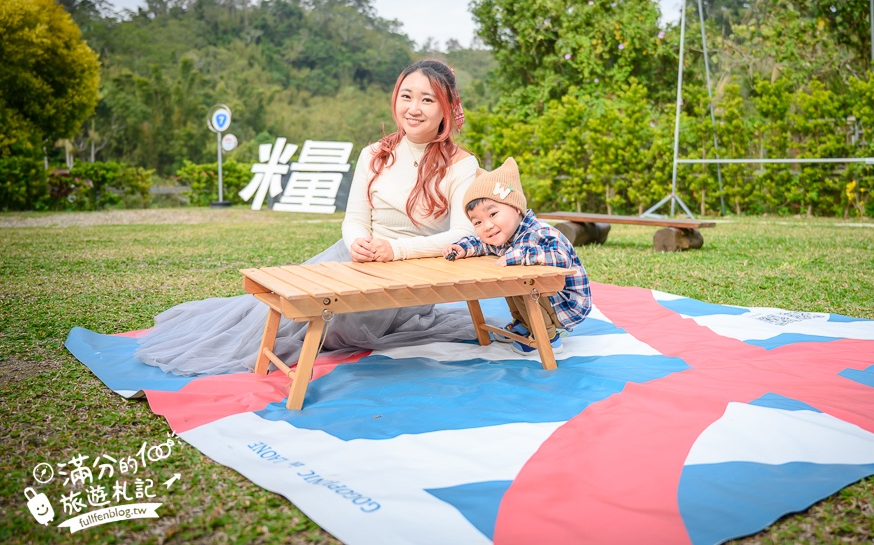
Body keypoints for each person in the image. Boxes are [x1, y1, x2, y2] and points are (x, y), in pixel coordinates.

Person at [135, 60, 490, 375]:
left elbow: (461, 236)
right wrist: (359, 244)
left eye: (427, 99)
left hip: (409, 269)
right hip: (353, 257)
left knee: (339, 329)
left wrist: (394, 251)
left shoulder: (462, 165)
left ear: (447, 107)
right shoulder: (374, 154)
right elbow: (353, 219)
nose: (414, 108)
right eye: (406, 96)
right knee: (285, 315)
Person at [442, 157, 592, 355]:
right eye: (477, 222)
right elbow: (482, 244)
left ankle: (547, 336)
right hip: (550, 297)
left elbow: (561, 258)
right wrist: (463, 248)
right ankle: (524, 322)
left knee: (519, 280)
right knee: (508, 277)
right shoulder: (505, 234)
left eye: (493, 214)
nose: (486, 226)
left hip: (567, 302)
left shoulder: (540, 232)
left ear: (515, 208)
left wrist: (516, 256)